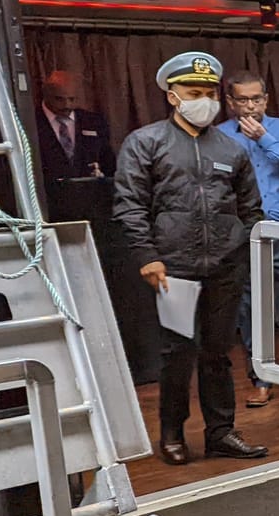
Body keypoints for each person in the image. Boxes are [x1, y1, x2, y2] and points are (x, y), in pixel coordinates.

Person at [113, 52, 267, 465]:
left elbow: (251, 209)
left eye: (209, 93)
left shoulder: (231, 147)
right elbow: (129, 206)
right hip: (173, 268)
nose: (204, 100)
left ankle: (221, 432)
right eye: (193, 92)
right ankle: (173, 434)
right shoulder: (146, 143)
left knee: (218, 352)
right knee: (178, 353)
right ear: (172, 95)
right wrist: (148, 255)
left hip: (225, 266)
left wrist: (245, 251)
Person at [222, 71, 279, 408]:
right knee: (250, 310)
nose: (250, 106)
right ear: (230, 102)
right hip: (242, 234)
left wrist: (265, 140)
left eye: (256, 98)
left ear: (266, 99)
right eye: (242, 100)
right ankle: (261, 379)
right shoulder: (218, 136)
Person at [31, 68, 117, 221]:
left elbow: (109, 163)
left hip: (92, 208)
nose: (67, 105)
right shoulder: (30, 122)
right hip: (47, 207)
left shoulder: (93, 121)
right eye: (59, 99)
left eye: (72, 99)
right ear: (46, 95)